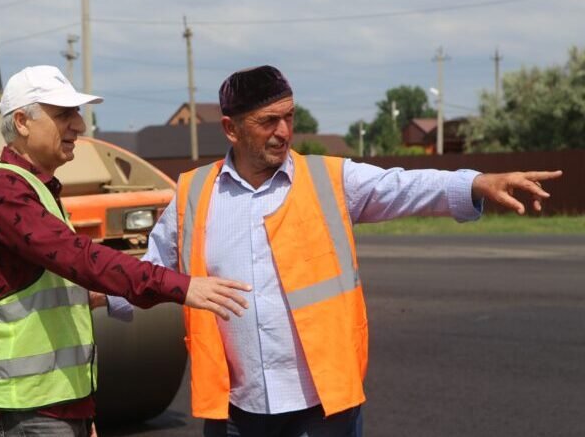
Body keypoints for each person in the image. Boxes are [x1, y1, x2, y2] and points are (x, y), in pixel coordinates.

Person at [143, 65, 563, 437]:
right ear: (231, 129)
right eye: (268, 121)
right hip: (234, 407)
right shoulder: (193, 194)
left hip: (321, 408)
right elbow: (146, 273)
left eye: (289, 117)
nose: (284, 131)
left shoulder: (330, 179)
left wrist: (475, 183)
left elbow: (402, 186)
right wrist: (94, 292)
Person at [0, 65, 251, 437]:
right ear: (22, 122)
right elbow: (79, 258)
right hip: (24, 411)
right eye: (63, 114)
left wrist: (79, 413)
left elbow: (55, 291)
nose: (79, 125)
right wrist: (181, 286)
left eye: (76, 114)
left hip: (51, 409)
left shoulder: (34, 188)